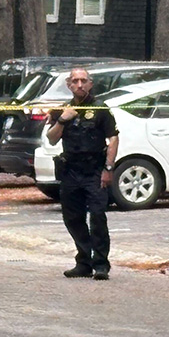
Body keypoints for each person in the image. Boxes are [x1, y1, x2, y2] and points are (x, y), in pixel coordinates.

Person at [45, 67, 119, 280]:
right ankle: (84, 261)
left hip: (94, 170)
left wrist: (108, 168)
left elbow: (113, 139)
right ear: (69, 85)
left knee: (97, 216)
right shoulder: (63, 110)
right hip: (71, 170)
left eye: (83, 81)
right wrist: (62, 120)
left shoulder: (100, 108)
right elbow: (51, 138)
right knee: (72, 218)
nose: (79, 85)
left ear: (90, 84)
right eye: (75, 81)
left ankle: (101, 264)